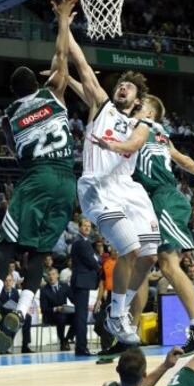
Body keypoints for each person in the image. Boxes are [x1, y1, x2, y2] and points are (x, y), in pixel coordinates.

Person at [0, 0, 78, 353]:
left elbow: (19, 154)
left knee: (8, 245)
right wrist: (63, 19)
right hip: (67, 181)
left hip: (40, 176)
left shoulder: (9, 117)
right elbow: (61, 58)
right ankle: (22, 310)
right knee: (39, 252)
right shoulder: (55, 94)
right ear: (40, 82)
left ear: (14, 92)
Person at [94, 94, 194, 355]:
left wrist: (108, 145)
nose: (137, 106)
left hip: (164, 197)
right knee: (141, 261)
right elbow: (182, 159)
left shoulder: (146, 129)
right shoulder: (161, 135)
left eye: (142, 105)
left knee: (168, 264)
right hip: (150, 201)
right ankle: (128, 335)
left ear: (151, 113)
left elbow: (127, 143)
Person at [62, 31, 161, 346]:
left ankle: (116, 309)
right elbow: (83, 68)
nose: (123, 87)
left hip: (128, 189)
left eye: (130, 87)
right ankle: (118, 314)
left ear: (137, 102)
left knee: (148, 257)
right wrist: (64, 25)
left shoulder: (141, 125)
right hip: (99, 186)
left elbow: (131, 143)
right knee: (129, 250)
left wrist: (115, 144)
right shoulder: (103, 107)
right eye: (121, 83)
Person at [70, 218, 100, 356]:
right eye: (85, 226)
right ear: (79, 227)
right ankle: (81, 348)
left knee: (81, 316)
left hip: (82, 282)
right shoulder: (81, 243)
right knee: (81, 317)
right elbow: (91, 261)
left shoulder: (83, 242)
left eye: (89, 226)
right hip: (81, 282)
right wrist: (99, 265)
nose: (87, 228)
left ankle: (80, 347)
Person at [40, 268, 75, 351]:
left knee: (78, 316)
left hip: (64, 312)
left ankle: (66, 339)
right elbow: (44, 309)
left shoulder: (64, 286)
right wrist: (56, 309)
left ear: (57, 275)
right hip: (51, 315)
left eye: (53, 274)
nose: (51, 277)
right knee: (61, 317)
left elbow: (73, 299)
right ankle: (63, 342)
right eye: (49, 275)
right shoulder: (44, 290)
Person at [0, 274, 33, 354]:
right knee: (11, 321)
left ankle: (25, 346)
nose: (8, 283)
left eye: (10, 280)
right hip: (4, 315)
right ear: (3, 282)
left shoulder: (15, 291)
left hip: (14, 314)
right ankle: (4, 347)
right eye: (6, 281)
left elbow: (18, 305)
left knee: (27, 317)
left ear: (13, 282)